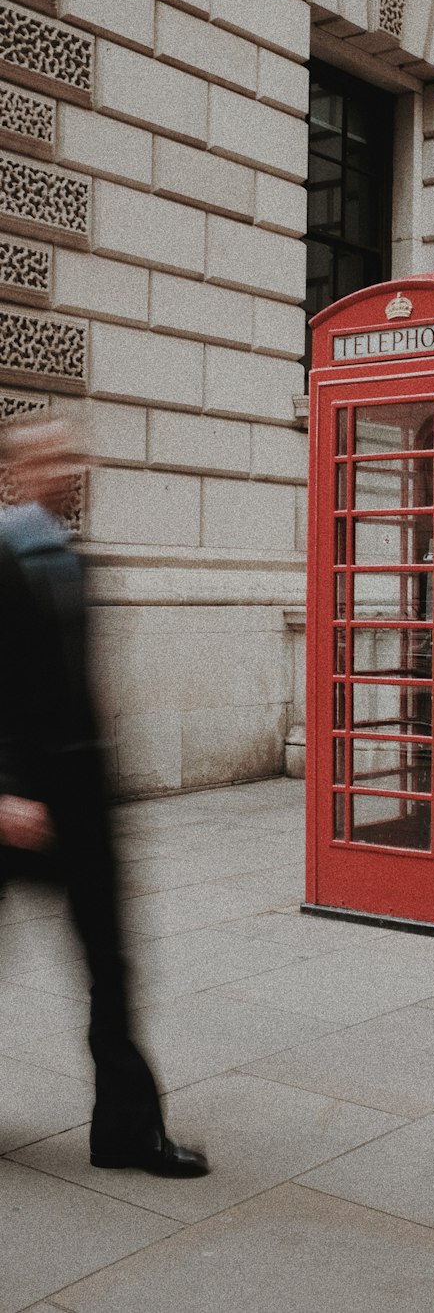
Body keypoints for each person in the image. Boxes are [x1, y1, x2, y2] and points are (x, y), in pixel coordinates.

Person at [0, 415, 208, 1177]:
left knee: (113, 966)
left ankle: (125, 1131)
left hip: (82, 795)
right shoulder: (2, 553)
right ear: (18, 471)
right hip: (15, 801)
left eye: (74, 454)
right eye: (51, 457)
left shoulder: (79, 561)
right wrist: (7, 790)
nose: (69, 468)